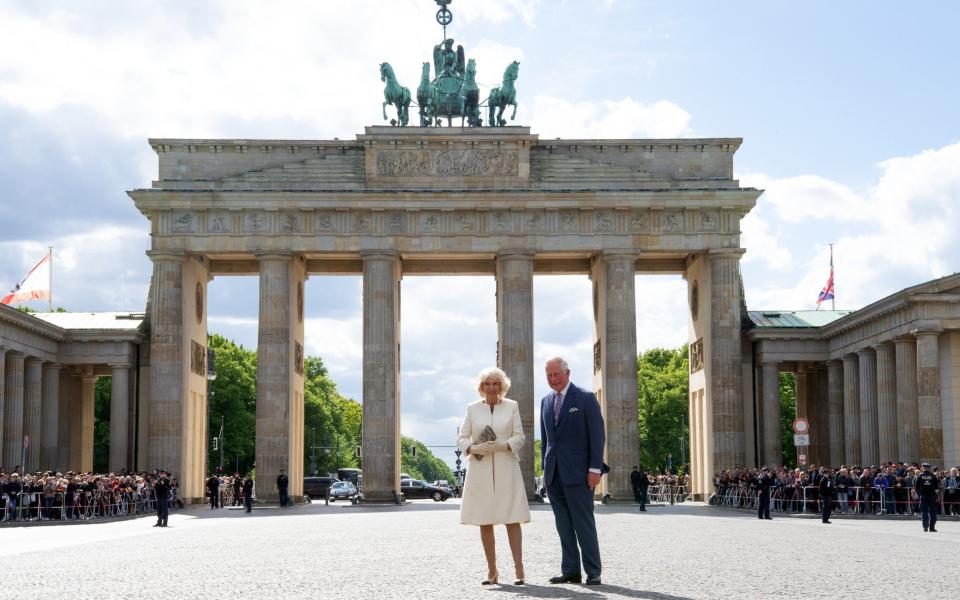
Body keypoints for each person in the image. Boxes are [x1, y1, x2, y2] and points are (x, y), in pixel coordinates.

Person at [457, 367, 530, 586]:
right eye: (487, 384)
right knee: (484, 520)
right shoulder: (472, 409)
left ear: (502, 386)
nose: (491, 388)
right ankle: (492, 571)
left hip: (506, 466)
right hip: (480, 469)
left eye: (495, 384)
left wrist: (503, 445)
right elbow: (461, 437)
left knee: (512, 518)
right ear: (481, 387)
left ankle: (519, 569)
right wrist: (472, 448)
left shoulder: (512, 406)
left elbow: (520, 437)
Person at [540, 357, 605, 586]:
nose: (553, 379)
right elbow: (546, 440)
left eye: (556, 374)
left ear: (568, 373)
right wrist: (544, 472)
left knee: (583, 523)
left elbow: (597, 436)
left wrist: (595, 468)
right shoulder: (545, 401)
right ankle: (570, 570)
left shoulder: (585, 398)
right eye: (549, 375)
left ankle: (593, 571)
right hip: (554, 474)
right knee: (563, 525)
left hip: (580, 473)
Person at [915, 462, 940, 532]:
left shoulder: (920, 476)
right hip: (932, 496)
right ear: (929, 468)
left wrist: (920, 494)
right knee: (933, 513)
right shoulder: (933, 476)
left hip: (923, 496)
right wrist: (936, 496)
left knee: (924, 512)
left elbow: (916, 487)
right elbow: (937, 488)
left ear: (923, 468)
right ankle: (932, 528)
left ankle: (925, 527)